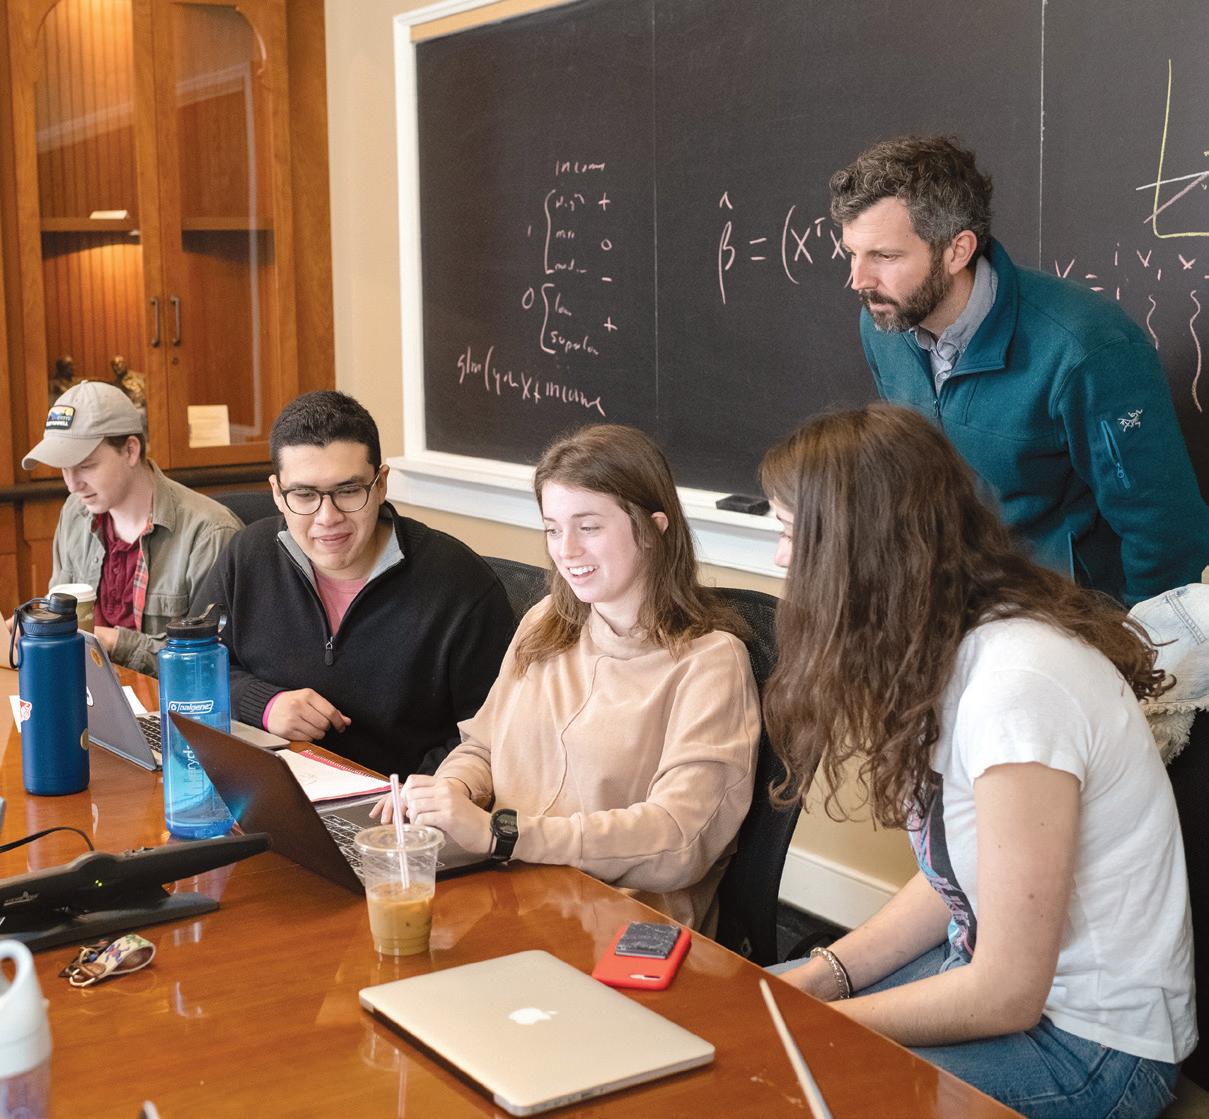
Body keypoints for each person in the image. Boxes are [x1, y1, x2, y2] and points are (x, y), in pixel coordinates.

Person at [762, 404, 1195, 1119]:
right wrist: (824, 975)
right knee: (742, 1008)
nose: (781, 558)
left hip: (1091, 1050)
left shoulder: (1017, 684)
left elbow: (1007, 993)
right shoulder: (941, 643)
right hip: (989, 982)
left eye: (788, 532)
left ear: (855, 546)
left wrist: (818, 1025)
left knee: (771, 1077)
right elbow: (954, 880)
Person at [376, 424, 760, 932]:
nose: (567, 551)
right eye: (553, 530)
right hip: (512, 893)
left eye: (589, 527)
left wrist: (503, 834)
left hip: (620, 924)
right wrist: (446, 797)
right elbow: (483, 747)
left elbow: (679, 838)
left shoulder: (710, 662)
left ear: (654, 529)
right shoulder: (545, 622)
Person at [830, 134, 1209, 606]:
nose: (859, 280)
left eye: (885, 256)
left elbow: (1164, 529)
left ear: (957, 251)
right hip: (957, 602)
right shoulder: (885, 321)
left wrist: (1134, 641)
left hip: (1070, 616)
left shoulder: (1087, 349)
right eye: (852, 252)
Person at [194, 390, 514, 777]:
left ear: (380, 485)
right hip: (269, 785)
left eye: (348, 491)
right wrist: (262, 704)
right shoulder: (247, 555)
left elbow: (496, 733)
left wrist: (413, 796)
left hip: (400, 804)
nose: (327, 517)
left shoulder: (462, 586)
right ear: (277, 493)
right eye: (304, 494)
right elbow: (188, 667)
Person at [17, 379, 241, 674]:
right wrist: (30, 629)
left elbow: (209, 663)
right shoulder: (74, 512)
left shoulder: (210, 533)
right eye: (63, 468)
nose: (72, 484)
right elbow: (58, 617)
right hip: (85, 688)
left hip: (164, 700)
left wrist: (113, 642)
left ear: (131, 451)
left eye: (85, 465)